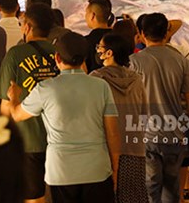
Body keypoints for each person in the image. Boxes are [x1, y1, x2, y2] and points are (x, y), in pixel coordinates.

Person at [7, 31, 120, 203]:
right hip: (97, 169)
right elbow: (113, 133)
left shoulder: (45, 88)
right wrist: (115, 168)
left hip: (61, 172)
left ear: (57, 58)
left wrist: (13, 96)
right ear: (84, 59)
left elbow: (16, 115)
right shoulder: (101, 86)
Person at [0, 3, 59, 203]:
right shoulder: (59, 53)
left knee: (32, 197)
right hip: (58, 139)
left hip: (26, 139)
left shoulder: (15, 54)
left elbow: (6, 104)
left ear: (28, 27)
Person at [129, 13, 189, 203]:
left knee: (150, 187)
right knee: (172, 188)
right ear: (167, 33)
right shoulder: (181, 60)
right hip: (175, 134)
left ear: (141, 34)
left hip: (146, 135)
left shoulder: (134, 62)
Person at [91, 33, 148, 203]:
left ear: (109, 53)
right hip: (135, 147)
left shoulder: (96, 79)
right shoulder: (137, 79)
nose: (98, 50)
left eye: (100, 46)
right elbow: (144, 114)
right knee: (134, 197)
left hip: (106, 149)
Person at [83, 0, 113, 73]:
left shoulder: (85, 42)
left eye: (86, 13)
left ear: (92, 16)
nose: (85, 16)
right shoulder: (120, 38)